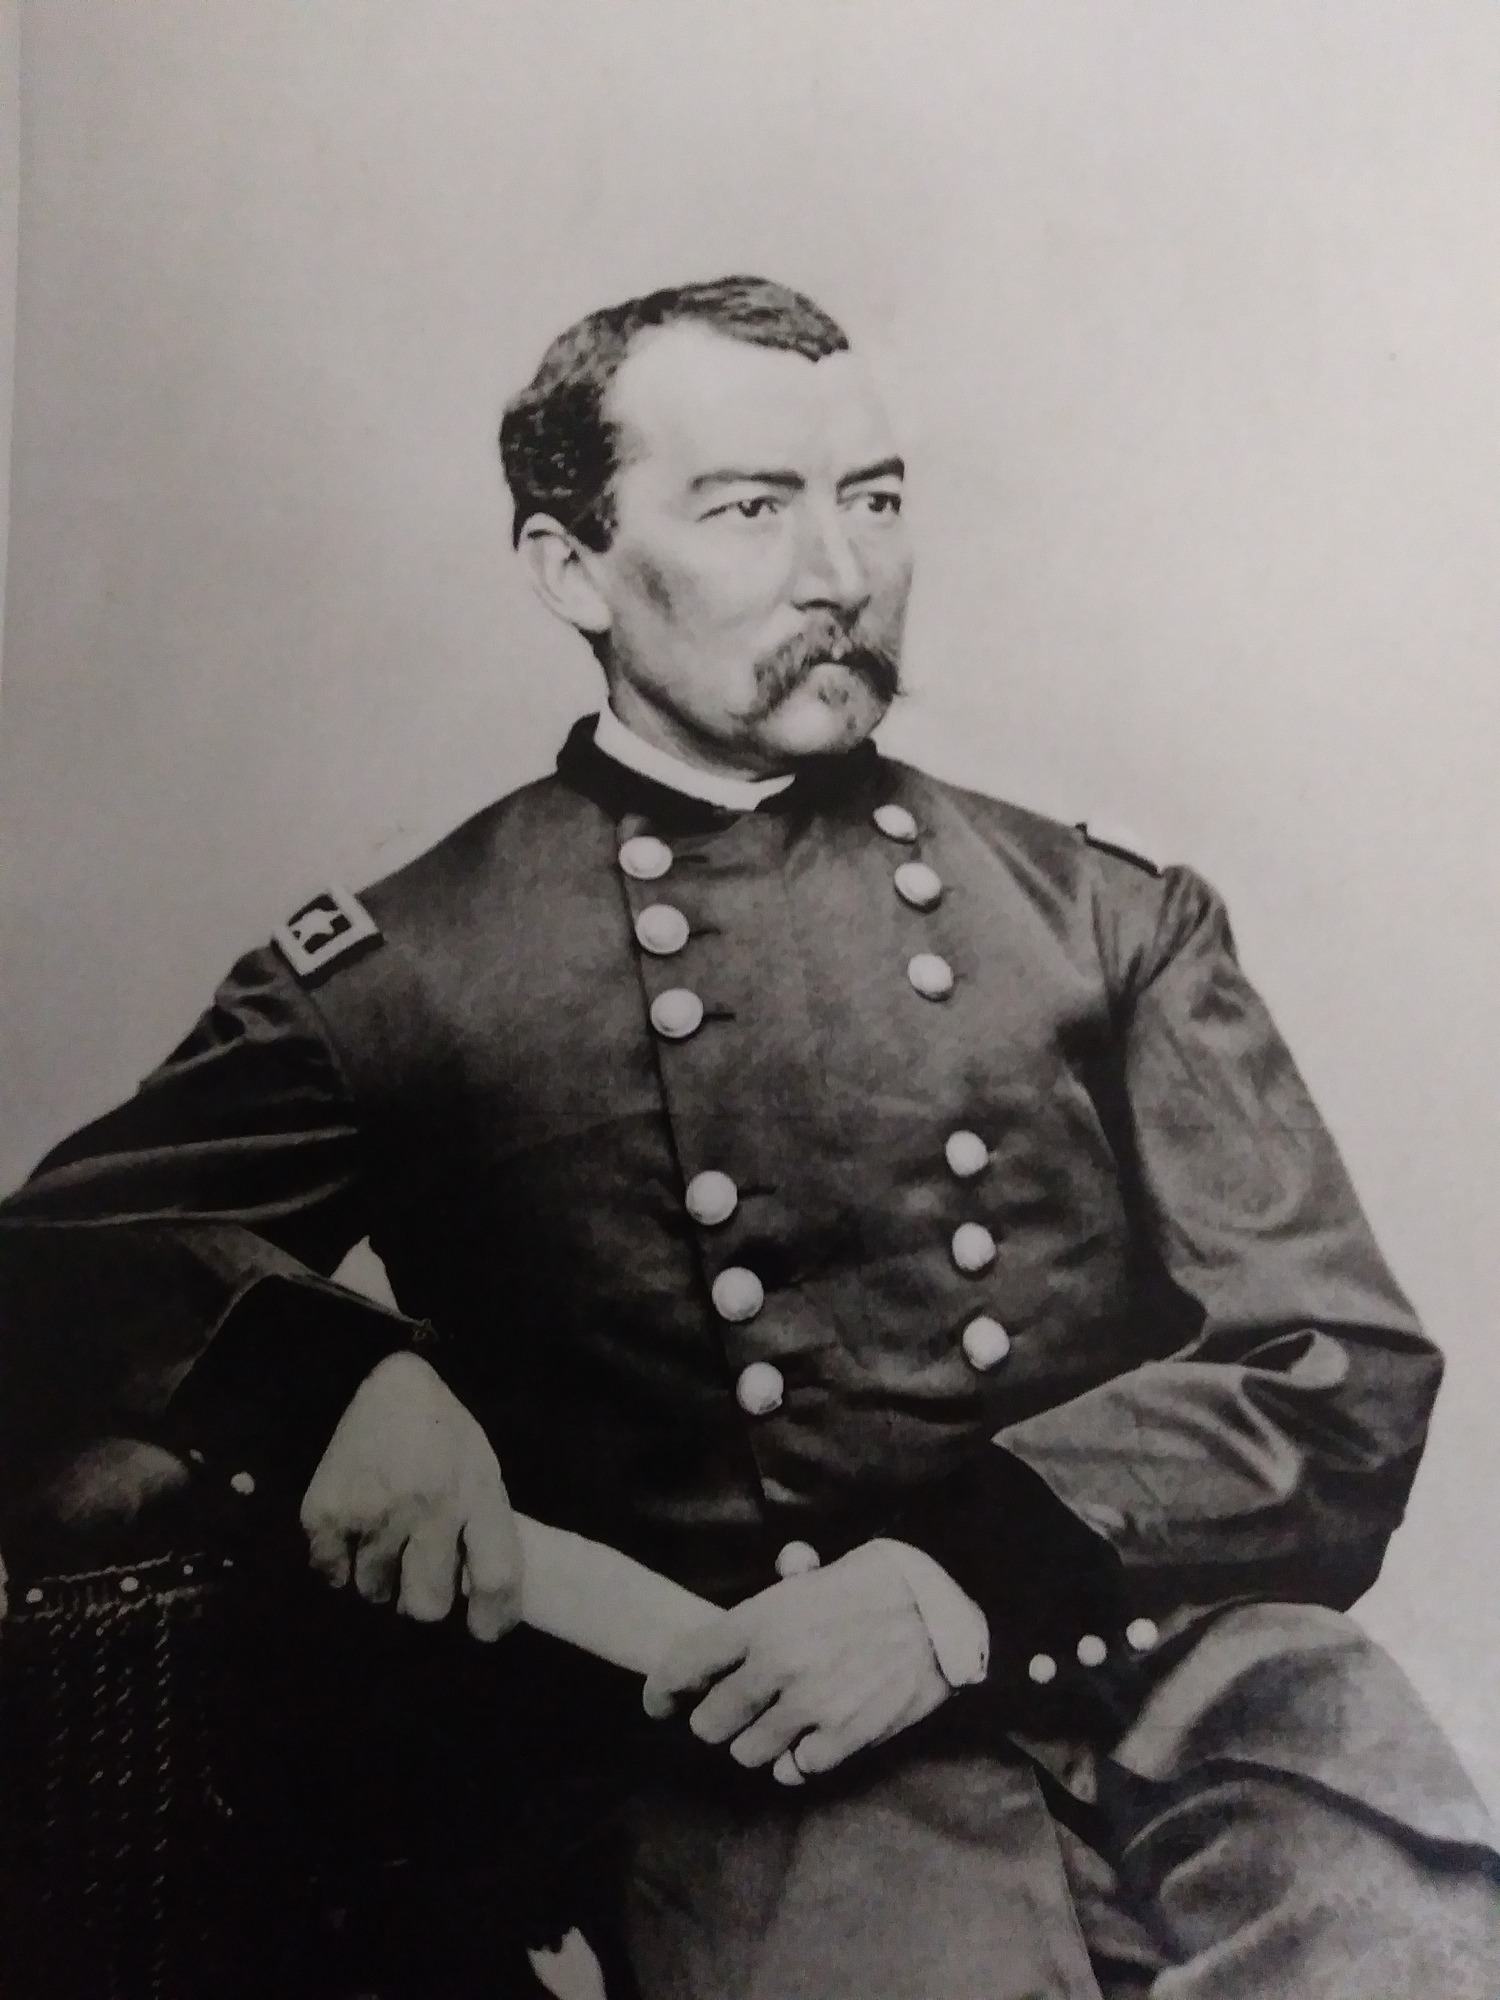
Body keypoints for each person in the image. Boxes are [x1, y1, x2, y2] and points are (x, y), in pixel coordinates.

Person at [1, 274, 1496, 1999]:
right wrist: (334, 1380)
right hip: (762, 1751)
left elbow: (1338, 1363)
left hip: (1209, 1695)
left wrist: (948, 1586)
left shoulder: (1100, 914)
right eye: (749, 509)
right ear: (570, 569)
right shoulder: (416, 970)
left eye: (872, 499)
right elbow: (51, 1258)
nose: (841, 576)